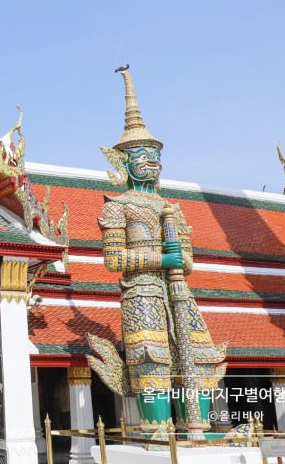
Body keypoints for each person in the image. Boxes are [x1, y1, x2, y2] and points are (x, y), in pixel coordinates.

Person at [94, 69, 225, 435]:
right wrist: (161, 260)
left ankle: (193, 426)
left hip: (178, 293)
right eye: (142, 154)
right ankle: (157, 431)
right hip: (143, 293)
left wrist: (177, 260)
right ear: (124, 162)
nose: (150, 160)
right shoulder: (117, 206)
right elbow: (113, 260)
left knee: (197, 359)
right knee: (150, 359)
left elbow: (188, 261)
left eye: (154, 154)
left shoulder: (173, 208)